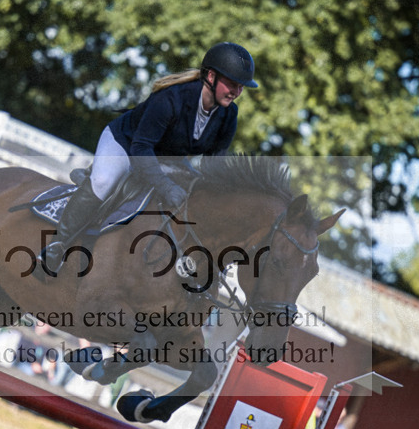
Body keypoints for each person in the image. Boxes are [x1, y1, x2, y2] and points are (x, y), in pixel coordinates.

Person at [38, 42, 259, 275]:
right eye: (232, 84)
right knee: (103, 182)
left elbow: (214, 164)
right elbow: (141, 147)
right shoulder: (171, 98)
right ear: (211, 76)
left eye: (241, 87)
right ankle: (56, 246)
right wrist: (165, 185)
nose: (237, 91)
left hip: (170, 157)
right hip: (127, 143)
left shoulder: (229, 114)